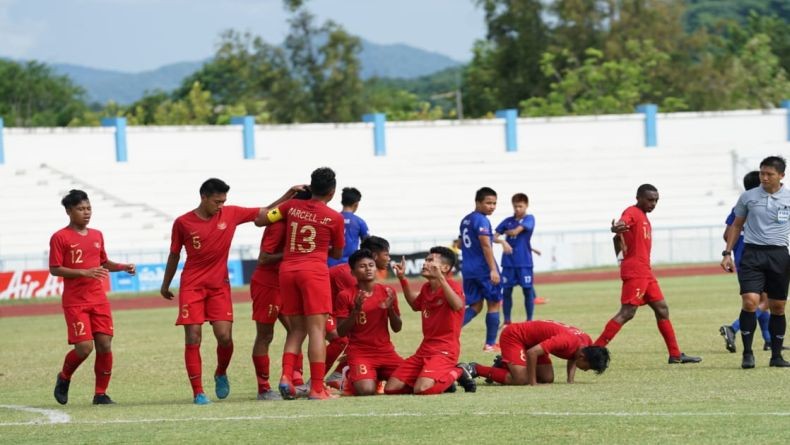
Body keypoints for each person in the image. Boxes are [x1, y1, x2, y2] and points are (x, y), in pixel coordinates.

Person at [160, 178, 299, 404]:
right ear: (203, 197)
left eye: (224, 201)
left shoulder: (231, 214)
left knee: (224, 338)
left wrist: (287, 195)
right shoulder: (182, 222)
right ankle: (198, 392)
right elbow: (174, 254)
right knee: (193, 336)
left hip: (219, 287)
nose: (220, 206)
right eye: (217, 201)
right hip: (192, 286)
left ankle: (220, 372)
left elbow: (263, 214)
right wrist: (166, 284)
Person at [260, 167, 345, 400]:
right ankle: (317, 388)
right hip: (314, 273)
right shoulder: (334, 218)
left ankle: (286, 377)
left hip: (288, 271)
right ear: (332, 191)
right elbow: (338, 253)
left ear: (310, 186)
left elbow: (261, 219)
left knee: (296, 329)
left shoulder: (290, 207)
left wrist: (287, 194)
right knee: (316, 330)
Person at [594, 184, 702, 364]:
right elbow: (622, 223)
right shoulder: (632, 212)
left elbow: (617, 240)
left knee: (662, 309)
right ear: (638, 198)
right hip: (637, 272)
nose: (653, 204)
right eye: (650, 200)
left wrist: (621, 259)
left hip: (645, 271)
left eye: (656, 200)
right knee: (627, 312)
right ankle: (594, 351)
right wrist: (617, 228)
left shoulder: (643, 216)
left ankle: (675, 355)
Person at [50, 189, 136, 405]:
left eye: (88, 208)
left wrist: (123, 267)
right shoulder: (60, 237)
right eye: (80, 209)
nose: (86, 212)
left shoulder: (97, 235)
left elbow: (103, 262)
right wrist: (83, 272)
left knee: (105, 345)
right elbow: (55, 268)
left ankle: (100, 394)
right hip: (76, 302)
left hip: (98, 299)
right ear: (69, 211)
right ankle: (64, 377)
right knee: (84, 348)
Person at [722, 156, 790, 369]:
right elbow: (735, 226)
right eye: (762, 173)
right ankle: (748, 353)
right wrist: (727, 253)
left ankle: (776, 356)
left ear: (781, 175)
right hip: (753, 254)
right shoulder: (748, 197)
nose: (764, 177)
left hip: (779, 255)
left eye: (769, 174)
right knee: (750, 301)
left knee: (778, 306)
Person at [384, 247, 476, 395]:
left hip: (445, 350)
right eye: (426, 260)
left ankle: (457, 371)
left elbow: (458, 305)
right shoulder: (427, 288)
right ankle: (442, 382)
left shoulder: (453, 286)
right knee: (391, 388)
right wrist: (402, 278)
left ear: (445, 267)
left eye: (430, 260)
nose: (425, 263)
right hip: (424, 349)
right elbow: (415, 305)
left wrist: (441, 278)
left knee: (422, 389)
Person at [249, 188, 313, 401]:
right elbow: (264, 259)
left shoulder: (299, 222)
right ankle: (263, 388)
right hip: (268, 284)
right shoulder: (278, 223)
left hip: (286, 282)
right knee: (266, 335)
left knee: (298, 330)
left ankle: (295, 380)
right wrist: (293, 252)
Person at [325, 235, 393, 389]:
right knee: (340, 338)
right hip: (319, 310)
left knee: (358, 340)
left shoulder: (360, 275)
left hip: (334, 311)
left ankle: (337, 376)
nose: (389, 258)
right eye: (386, 254)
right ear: (375, 256)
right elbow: (351, 311)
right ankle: (313, 383)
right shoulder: (353, 276)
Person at [719, 171, 775, 353]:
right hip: (761, 258)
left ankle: (769, 341)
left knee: (760, 299)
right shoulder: (763, 206)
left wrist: (731, 251)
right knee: (768, 301)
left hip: (743, 259)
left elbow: (727, 234)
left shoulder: (738, 207)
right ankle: (733, 328)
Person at [335, 249, 404, 396]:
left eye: (371, 265)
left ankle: (374, 376)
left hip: (386, 352)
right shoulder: (345, 295)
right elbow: (341, 332)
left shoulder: (388, 291)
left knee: (407, 383)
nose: (368, 269)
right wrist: (356, 310)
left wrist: (390, 309)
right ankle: (350, 376)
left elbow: (397, 328)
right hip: (361, 353)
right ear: (353, 273)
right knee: (366, 391)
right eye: (362, 266)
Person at [465, 320, 609, 385]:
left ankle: (504, 365)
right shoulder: (567, 340)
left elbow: (573, 356)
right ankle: (476, 368)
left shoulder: (585, 344)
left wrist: (570, 381)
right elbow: (533, 353)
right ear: (583, 357)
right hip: (514, 336)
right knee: (521, 379)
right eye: (587, 367)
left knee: (547, 378)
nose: (585, 370)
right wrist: (532, 383)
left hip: (534, 342)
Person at [460, 187, 505, 352]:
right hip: (484, 269)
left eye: (494, 203)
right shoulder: (481, 220)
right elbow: (486, 245)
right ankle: (490, 344)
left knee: (475, 306)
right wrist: (493, 269)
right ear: (478, 202)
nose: (492, 206)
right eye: (488, 203)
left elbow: (460, 243)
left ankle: (450, 333)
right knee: (494, 304)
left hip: (468, 270)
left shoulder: (465, 220)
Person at [495, 193, 542, 324]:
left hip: (524, 262)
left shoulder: (530, 219)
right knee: (507, 292)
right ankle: (507, 321)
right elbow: (494, 237)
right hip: (508, 262)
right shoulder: (507, 220)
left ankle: (529, 321)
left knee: (527, 291)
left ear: (526, 205)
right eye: (515, 206)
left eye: (520, 206)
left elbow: (516, 232)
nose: (517, 209)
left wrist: (505, 232)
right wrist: (503, 242)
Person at [328, 187, 369, 267]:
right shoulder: (359, 222)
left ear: (342, 202)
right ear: (356, 204)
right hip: (349, 265)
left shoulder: (331, 219)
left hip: (330, 264)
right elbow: (367, 243)